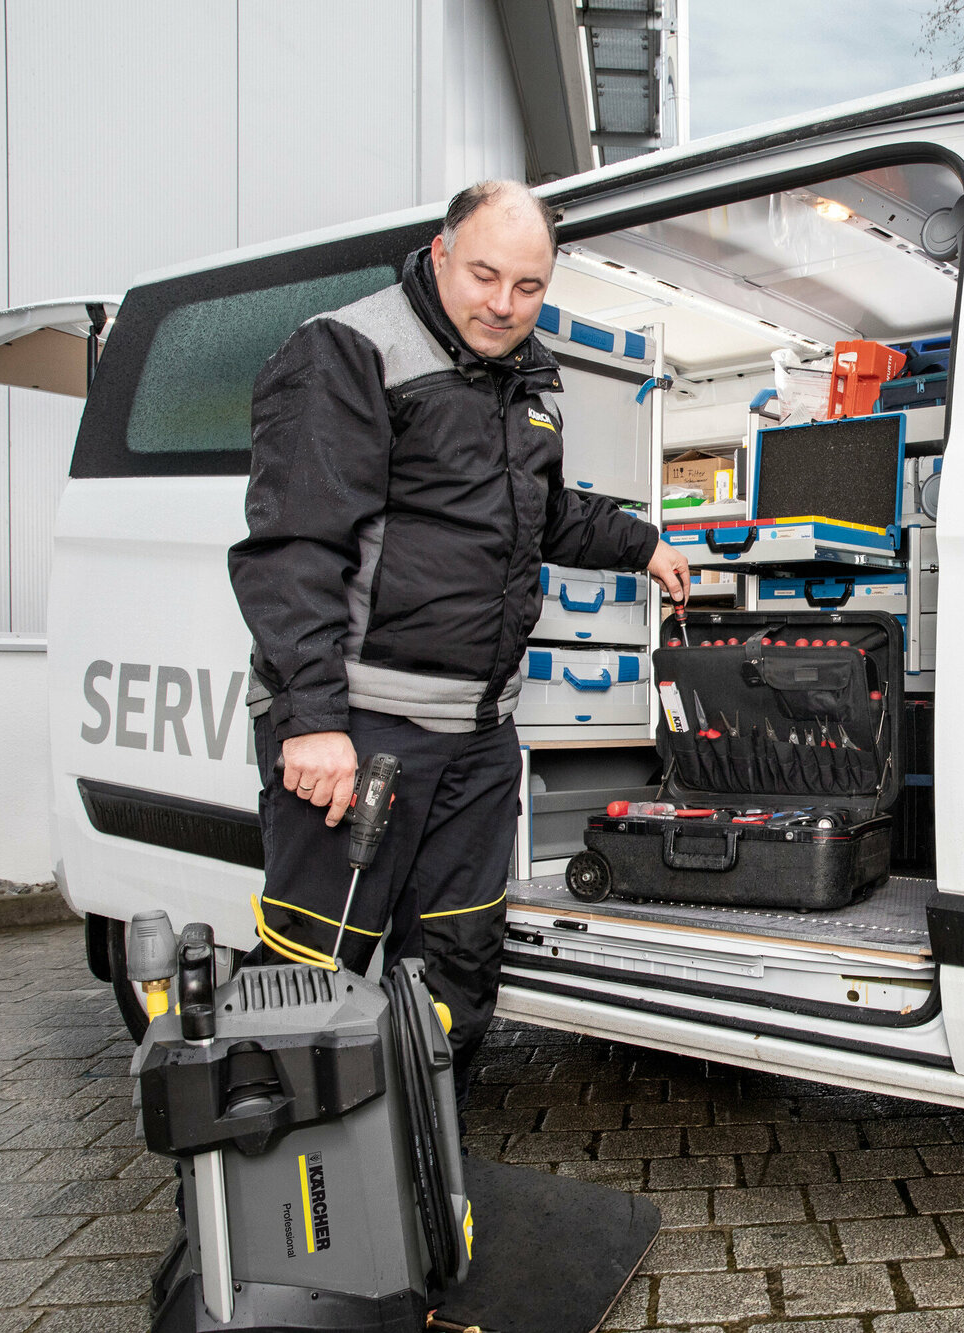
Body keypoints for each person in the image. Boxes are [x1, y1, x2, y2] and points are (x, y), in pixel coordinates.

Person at [228, 179, 689, 1102]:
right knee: (314, 973)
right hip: (363, 731)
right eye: (485, 275)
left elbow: (539, 513)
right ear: (440, 253)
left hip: (478, 738)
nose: (504, 305)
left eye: (528, 286)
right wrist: (312, 720)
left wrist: (644, 544)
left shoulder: (526, 376)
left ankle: (410, 1172)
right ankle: (274, 1198)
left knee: (457, 964)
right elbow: (294, 548)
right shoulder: (351, 351)